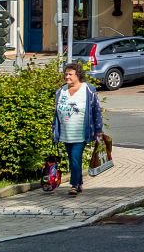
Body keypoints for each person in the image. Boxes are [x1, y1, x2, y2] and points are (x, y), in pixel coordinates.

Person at [51, 62, 103, 196]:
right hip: (65, 133)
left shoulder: (88, 90)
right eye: (66, 74)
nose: (67, 76)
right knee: (73, 159)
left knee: (75, 157)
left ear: (78, 75)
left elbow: (96, 111)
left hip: (81, 132)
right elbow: (56, 113)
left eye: (70, 74)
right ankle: (79, 183)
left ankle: (74, 185)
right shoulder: (60, 91)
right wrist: (54, 130)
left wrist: (99, 130)